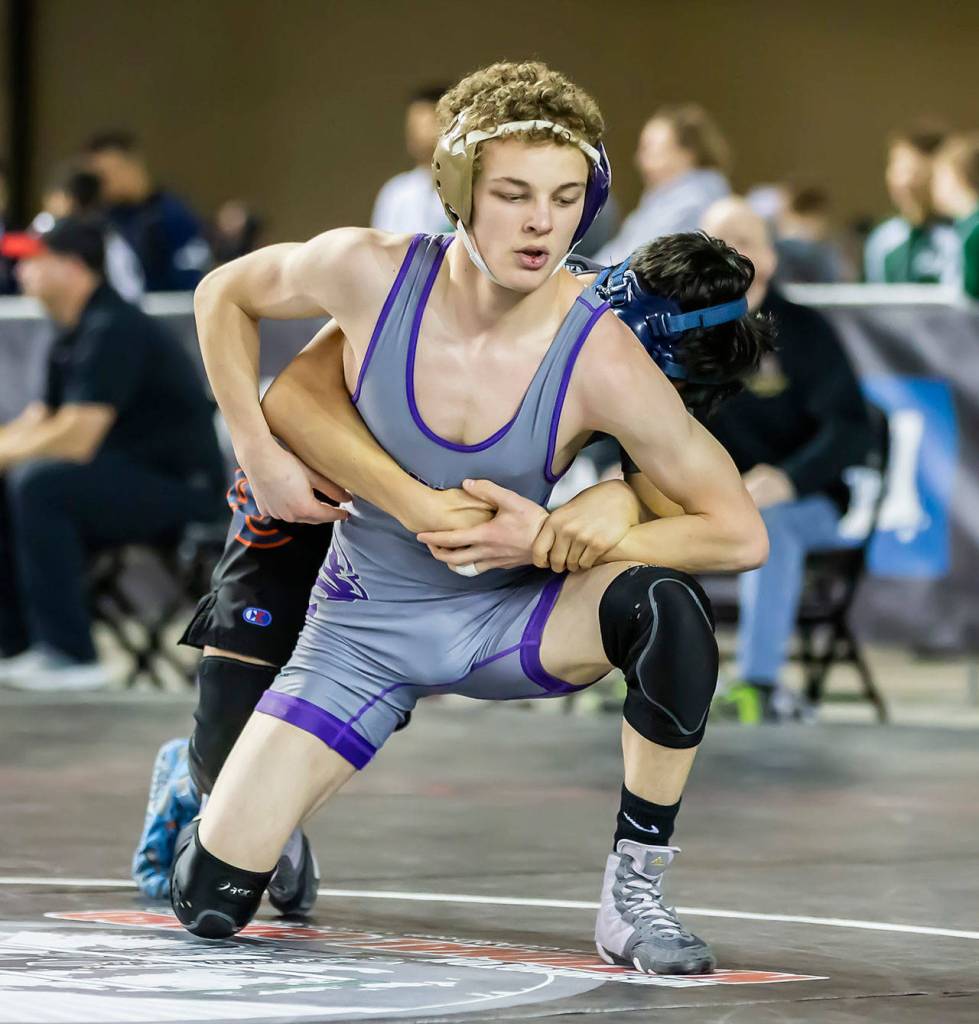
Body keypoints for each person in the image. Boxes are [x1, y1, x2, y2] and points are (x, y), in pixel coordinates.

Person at [168, 62, 767, 976]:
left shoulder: (601, 349)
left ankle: (633, 889)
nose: (541, 222)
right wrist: (258, 452)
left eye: (567, 198)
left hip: (503, 616)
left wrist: (571, 533)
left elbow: (735, 529)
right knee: (210, 907)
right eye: (515, 194)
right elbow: (230, 304)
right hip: (361, 619)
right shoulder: (369, 273)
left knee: (664, 604)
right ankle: (220, 798)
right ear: (456, 191)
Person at [0, 217, 226, 691]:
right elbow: (42, 419)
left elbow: (77, 437)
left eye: (33, 261)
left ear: (72, 267)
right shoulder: (73, 331)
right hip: (124, 477)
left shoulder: (114, 327)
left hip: (183, 490)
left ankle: (71, 654)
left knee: (40, 485)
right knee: (20, 480)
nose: (19, 272)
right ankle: (17, 644)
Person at [701, 197, 875, 721]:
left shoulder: (804, 332)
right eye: (717, 244)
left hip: (809, 505)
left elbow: (852, 430)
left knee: (769, 521)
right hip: (710, 502)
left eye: (746, 242)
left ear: (771, 258)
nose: (732, 255)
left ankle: (757, 685)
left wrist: (787, 479)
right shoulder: (683, 333)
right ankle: (637, 674)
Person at [595, 104, 731, 264]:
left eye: (650, 150)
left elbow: (636, 263)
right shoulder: (661, 201)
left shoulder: (692, 204)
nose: (640, 160)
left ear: (687, 154)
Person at [84, 131, 211, 291]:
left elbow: (194, 279)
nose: (104, 184)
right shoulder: (102, 222)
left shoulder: (173, 215)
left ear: (132, 165)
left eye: (107, 174)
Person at [863, 124, 959, 284]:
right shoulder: (884, 239)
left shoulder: (963, 236)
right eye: (896, 169)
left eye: (913, 171)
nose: (903, 182)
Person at [36, 165, 145, 300]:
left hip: (100, 309)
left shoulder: (107, 236)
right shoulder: (45, 226)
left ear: (66, 198)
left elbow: (129, 289)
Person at [370, 85, 453, 235]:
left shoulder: (469, 190)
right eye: (412, 125)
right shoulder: (396, 192)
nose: (415, 133)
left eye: (425, 124)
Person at [931, 132, 979, 299]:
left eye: (939, 177)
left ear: (959, 178)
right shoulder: (963, 227)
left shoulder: (973, 231)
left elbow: (970, 296)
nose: (933, 187)